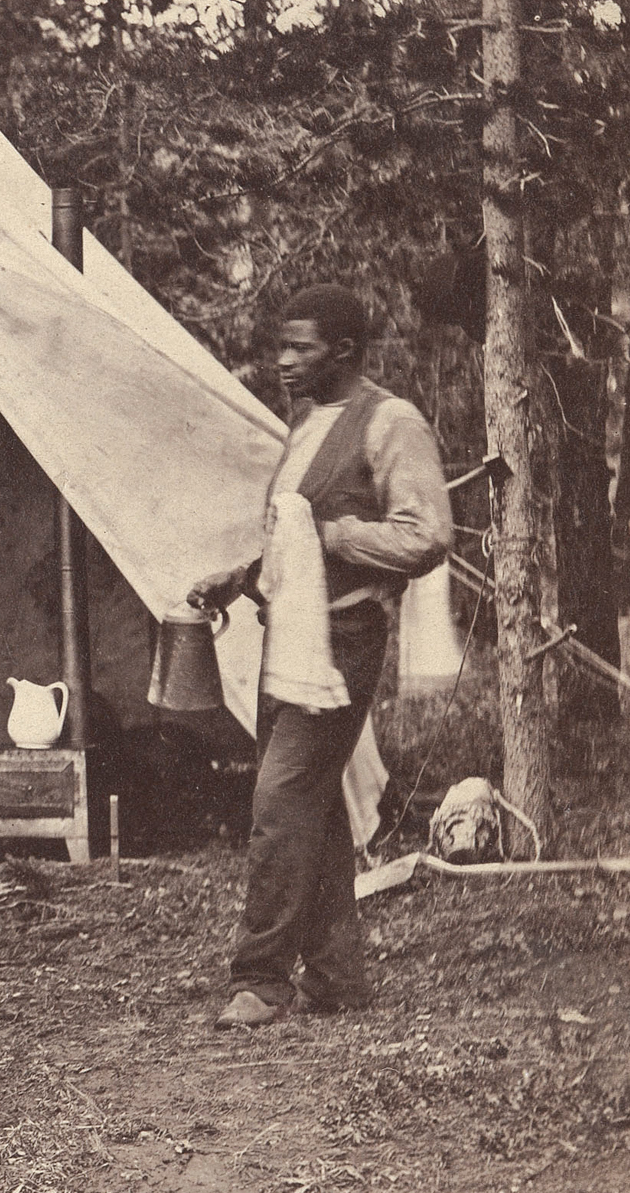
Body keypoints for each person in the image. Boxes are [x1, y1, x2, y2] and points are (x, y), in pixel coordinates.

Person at [187, 284, 451, 1029]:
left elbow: (426, 535)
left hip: (344, 639)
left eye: (299, 347)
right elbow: (290, 539)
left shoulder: (390, 422)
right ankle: (335, 976)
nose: (282, 361)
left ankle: (261, 979)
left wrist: (342, 537)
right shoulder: (305, 423)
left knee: (279, 798)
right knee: (313, 803)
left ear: (342, 350)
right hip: (290, 636)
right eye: (282, 346)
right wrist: (238, 577)